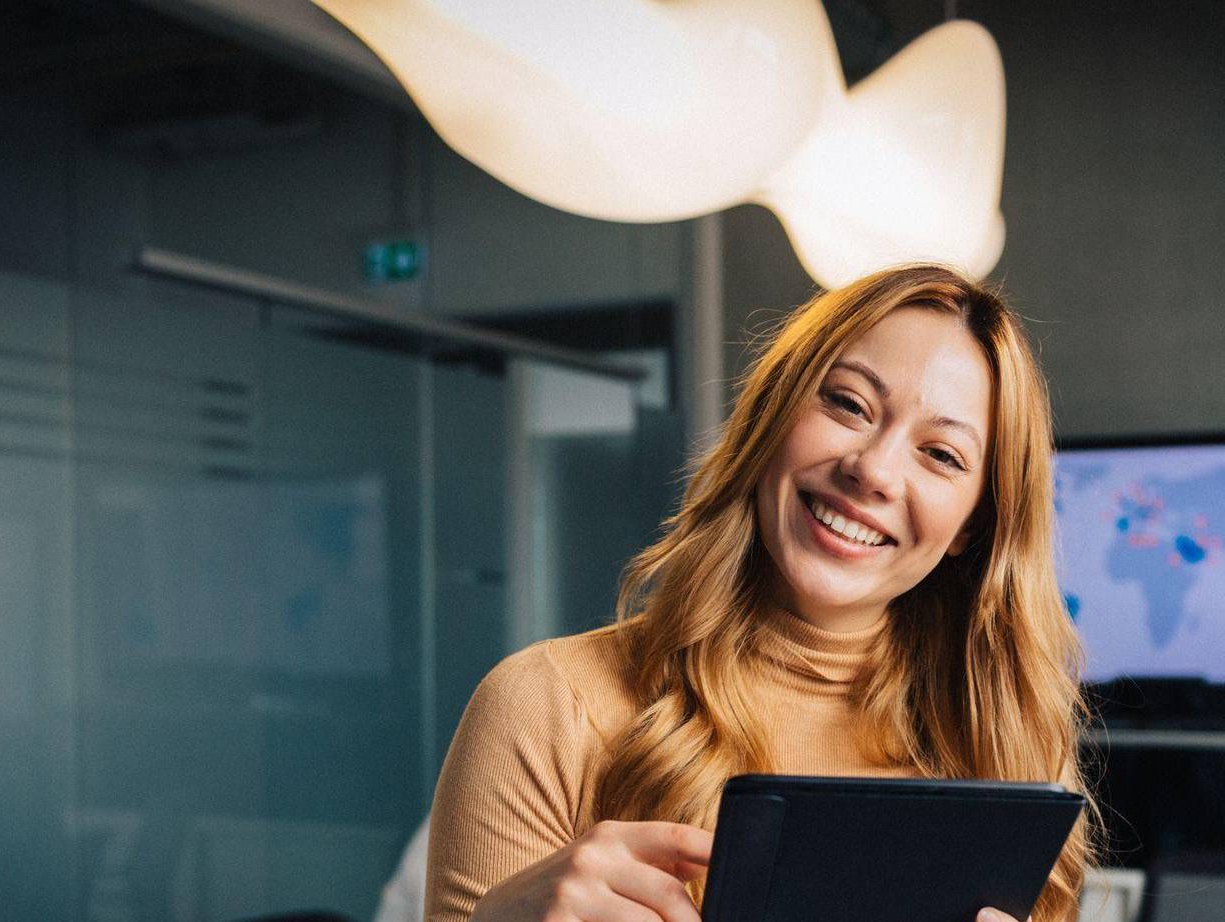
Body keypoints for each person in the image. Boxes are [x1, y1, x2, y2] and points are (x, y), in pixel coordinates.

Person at [425, 265, 1095, 922]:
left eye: (942, 454)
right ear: (773, 416)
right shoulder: (546, 706)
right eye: (848, 403)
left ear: (972, 526)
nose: (873, 470)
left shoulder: (1008, 746)